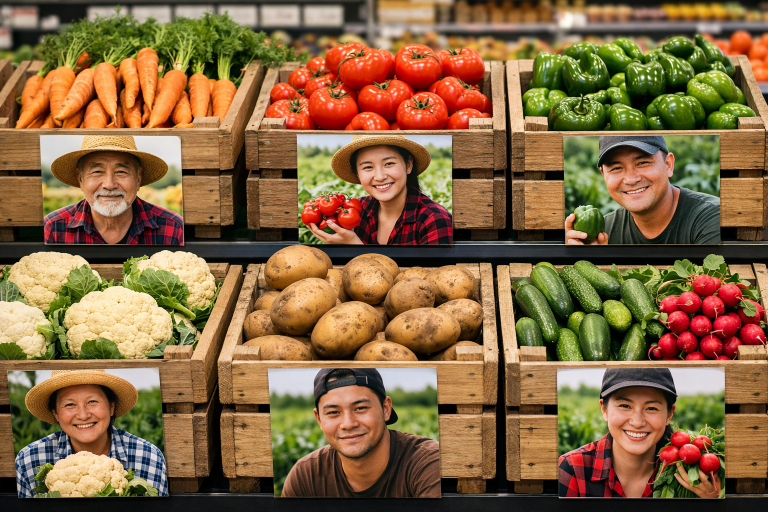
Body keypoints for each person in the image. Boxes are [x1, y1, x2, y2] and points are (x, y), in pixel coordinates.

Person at [558, 368, 721, 498]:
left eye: (651, 408)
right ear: (604, 409)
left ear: (669, 414)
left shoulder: (691, 473)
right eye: (625, 406)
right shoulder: (572, 468)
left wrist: (712, 503)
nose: (637, 422)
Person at [281, 368, 441, 498]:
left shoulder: (427, 463)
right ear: (319, 419)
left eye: (360, 408)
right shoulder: (306, 476)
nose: (348, 424)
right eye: (333, 412)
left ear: (386, 409)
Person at [15, 369, 168, 497]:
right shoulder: (29, 459)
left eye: (92, 402)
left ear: (111, 407)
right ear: (55, 414)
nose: (83, 415)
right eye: (69, 404)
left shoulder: (148, 456)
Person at [565, 135, 720, 245]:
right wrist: (588, 263)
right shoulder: (603, 232)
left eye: (642, 163)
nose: (631, 179)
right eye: (616, 168)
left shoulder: (711, 218)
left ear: (668, 165)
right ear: (603, 175)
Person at [307, 135, 453, 245]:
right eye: (368, 167)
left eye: (389, 163)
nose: (380, 176)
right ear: (357, 173)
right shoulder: (356, 210)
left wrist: (355, 247)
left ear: (408, 165)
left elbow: (434, 280)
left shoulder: (434, 219)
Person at [44, 135, 184, 245]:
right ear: (80, 179)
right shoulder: (53, 228)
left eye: (121, 171)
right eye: (97, 171)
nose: (109, 184)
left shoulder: (174, 227)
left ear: (138, 178)